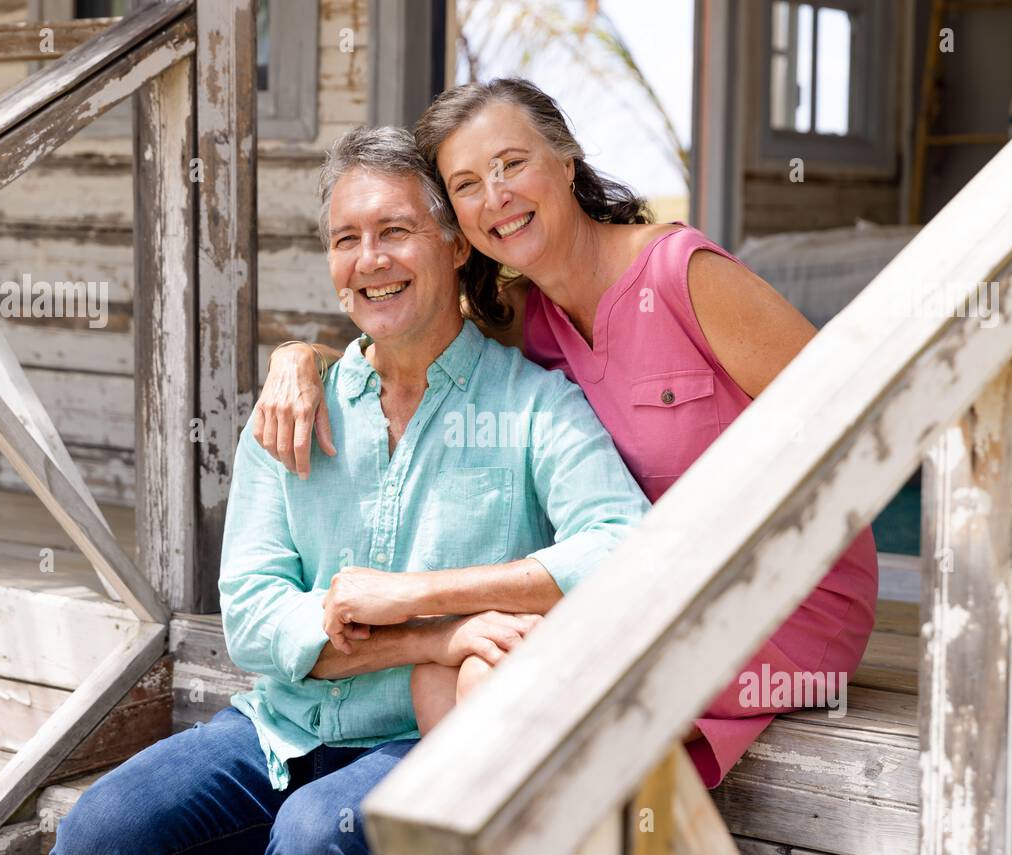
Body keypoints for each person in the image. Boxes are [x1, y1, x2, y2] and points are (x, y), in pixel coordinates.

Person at [45, 124, 648, 855]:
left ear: (456, 245)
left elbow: (624, 545)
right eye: (345, 240)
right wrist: (431, 637)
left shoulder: (533, 406)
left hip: (425, 734)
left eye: (395, 231)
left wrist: (416, 595)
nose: (370, 260)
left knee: (315, 836)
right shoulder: (293, 408)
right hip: (282, 728)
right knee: (102, 828)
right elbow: (253, 620)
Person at [252, 78, 879, 790]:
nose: (496, 196)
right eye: (466, 184)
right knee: (440, 678)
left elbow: (854, 413)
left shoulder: (682, 274)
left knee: (492, 685)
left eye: (511, 164)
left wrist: (413, 594)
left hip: (781, 595)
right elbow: (405, 343)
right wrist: (297, 359)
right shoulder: (525, 315)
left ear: (567, 161)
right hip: (643, 594)